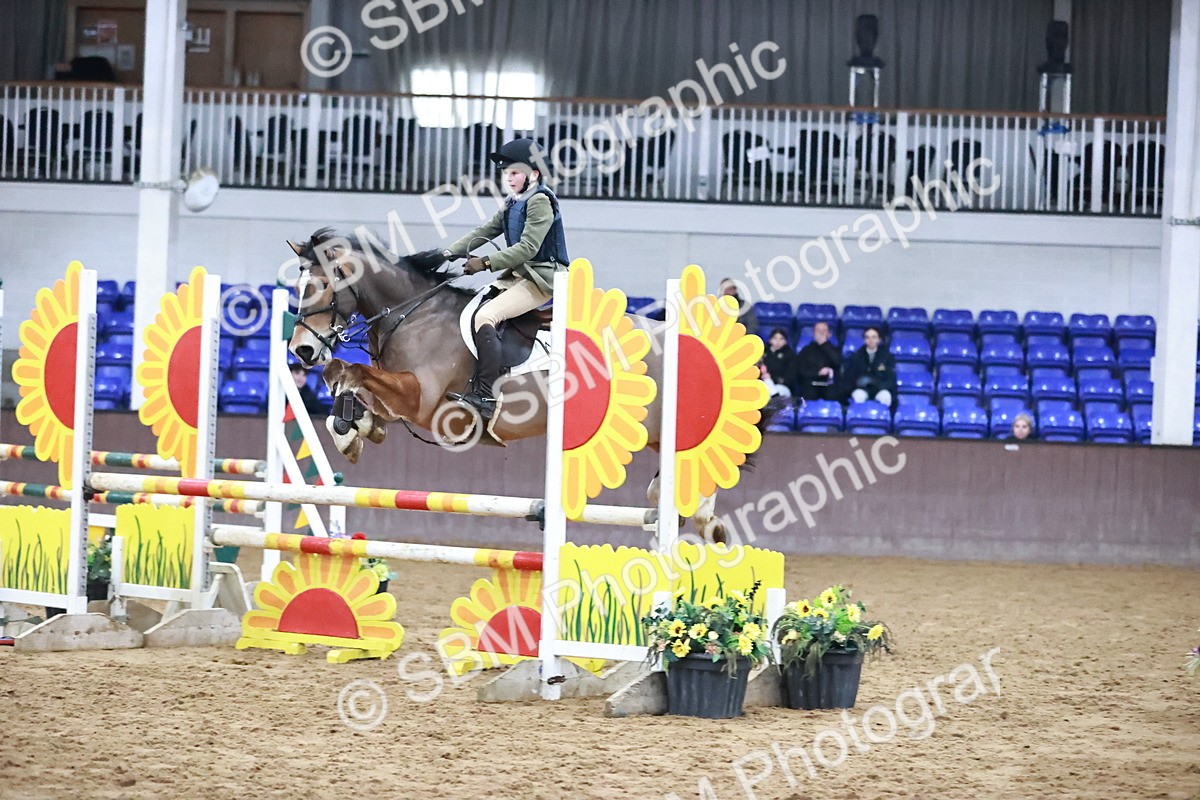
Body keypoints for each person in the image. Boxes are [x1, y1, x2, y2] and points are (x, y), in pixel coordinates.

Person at [421, 138, 569, 420]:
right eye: (505, 173)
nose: (508, 178)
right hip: (518, 275)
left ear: (534, 174)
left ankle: (488, 395)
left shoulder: (540, 202)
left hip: (541, 279)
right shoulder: (515, 200)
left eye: (514, 172)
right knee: (468, 309)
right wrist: (450, 252)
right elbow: (487, 229)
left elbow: (527, 248)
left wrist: (484, 263)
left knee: (485, 317)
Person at [843, 326, 896, 406]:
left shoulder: (887, 357)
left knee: (885, 396)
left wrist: (875, 383)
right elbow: (850, 378)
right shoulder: (856, 357)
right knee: (858, 396)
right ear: (864, 340)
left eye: (874, 337)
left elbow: (890, 378)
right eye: (867, 337)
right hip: (862, 389)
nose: (870, 340)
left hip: (880, 389)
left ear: (879, 339)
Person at [795, 320, 841, 401]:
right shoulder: (806, 350)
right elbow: (801, 370)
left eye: (824, 331)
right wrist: (818, 373)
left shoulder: (835, 350)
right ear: (813, 333)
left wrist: (824, 344)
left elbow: (837, 363)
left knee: (834, 394)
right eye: (818, 331)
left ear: (829, 334)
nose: (821, 333)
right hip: (810, 383)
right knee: (808, 394)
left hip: (829, 384)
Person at [761, 327, 798, 396]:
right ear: (770, 340)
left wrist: (771, 378)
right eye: (775, 338)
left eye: (781, 339)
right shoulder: (763, 352)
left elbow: (790, 377)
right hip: (763, 385)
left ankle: (774, 397)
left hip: (782, 387)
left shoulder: (790, 355)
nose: (778, 341)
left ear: (785, 341)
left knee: (772, 391)